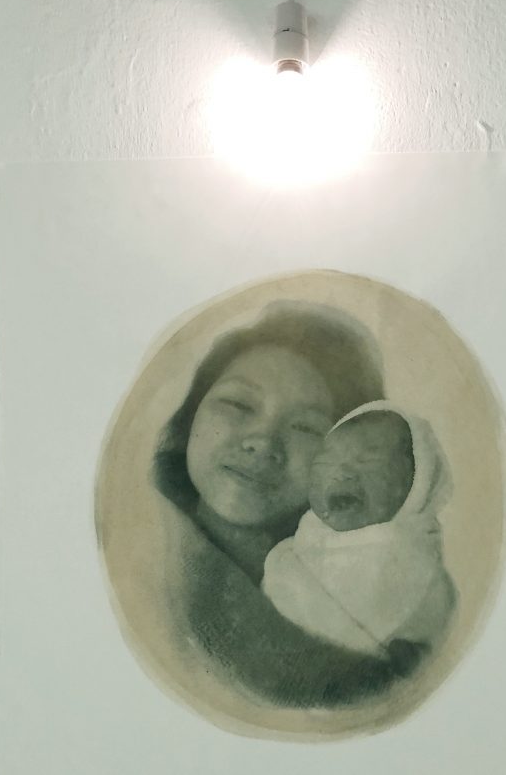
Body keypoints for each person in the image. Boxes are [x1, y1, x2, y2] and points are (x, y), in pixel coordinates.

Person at [152, 302, 422, 707]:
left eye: (305, 427)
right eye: (238, 404)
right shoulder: (135, 552)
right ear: (191, 418)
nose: (263, 442)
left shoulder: (374, 603)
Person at [262, 402, 456, 660]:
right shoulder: (300, 541)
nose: (341, 472)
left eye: (368, 461)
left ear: (418, 482)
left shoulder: (414, 560)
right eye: (326, 460)